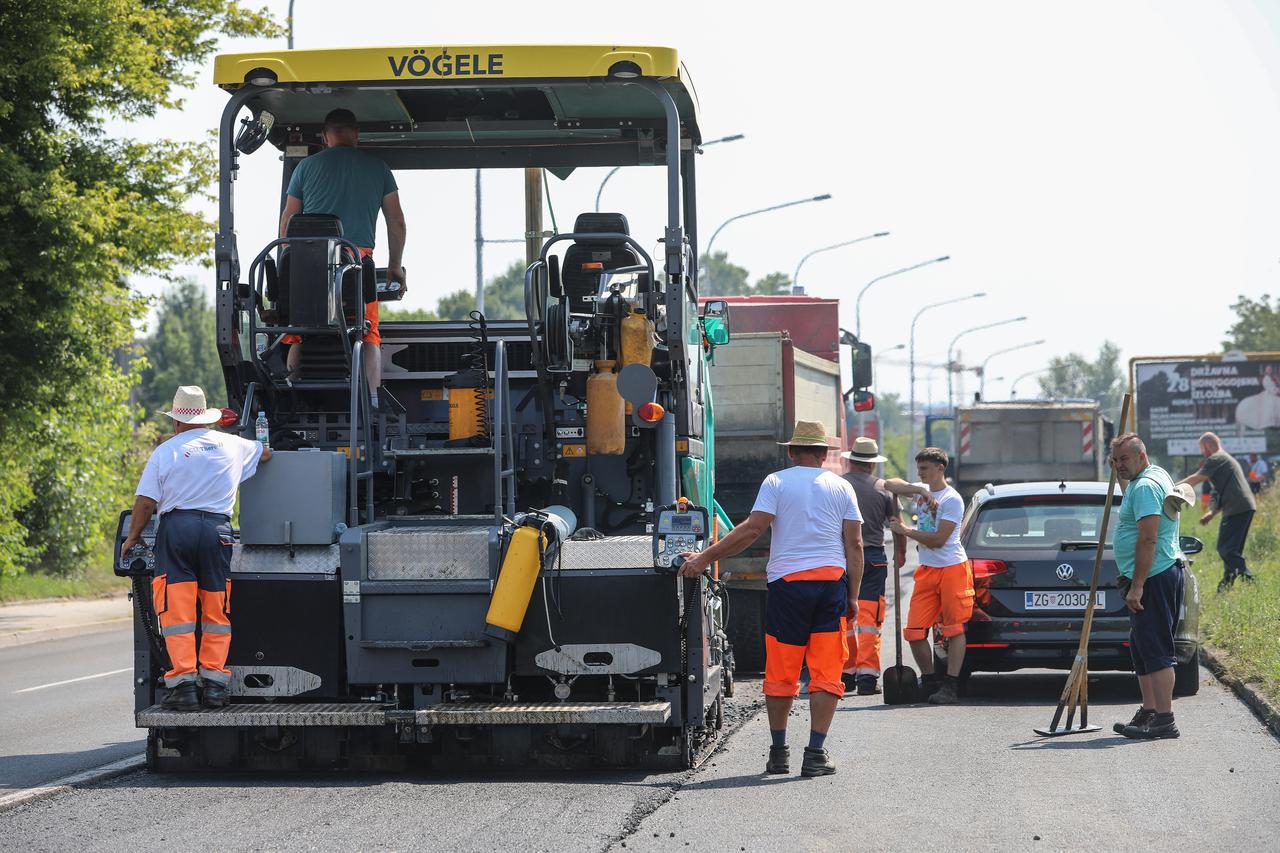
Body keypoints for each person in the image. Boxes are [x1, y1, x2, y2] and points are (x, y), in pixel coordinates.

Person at [677, 421, 862, 777]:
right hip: (830, 585)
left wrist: (703, 559)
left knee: (782, 670)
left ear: (791, 451)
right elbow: (854, 545)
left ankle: (778, 753)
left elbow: (751, 530)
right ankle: (815, 755)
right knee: (825, 672)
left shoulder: (776, 481)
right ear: (824, 454)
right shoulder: (842, 487)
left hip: (788, 588)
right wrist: (852, 595)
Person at [120, 386, 270, 711]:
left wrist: (132, 538)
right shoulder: (232, 444)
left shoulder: (166, 451)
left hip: (177, 531)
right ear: (206, 418)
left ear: (176, 421)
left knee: (178, 612)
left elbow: (146, 503)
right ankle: (215, 685)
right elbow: (266, 453)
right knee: (216, 608)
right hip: (217, 530)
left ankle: (184, 687)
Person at [279, 108, 408, 409]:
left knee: (299, 329)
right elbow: (397, 223)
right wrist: (394, 266)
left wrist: (288, 268)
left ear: (325, 137)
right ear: (356, 134)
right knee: (368, 332)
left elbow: (288, 221)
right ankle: (372, 400)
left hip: (309, 264)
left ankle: (292, 394)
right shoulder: (379, 168)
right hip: (356, 264)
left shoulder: (305, 168)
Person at [1110, 433, 1184, 739]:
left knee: (1156, 650)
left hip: (1152, 577)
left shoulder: (1145, 487)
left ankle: (1165, 719)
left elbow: (1148, 538)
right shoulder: (1156, 473)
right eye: (1114, 461)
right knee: (1142, 648)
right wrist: (1120, 471)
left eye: (1124, 459)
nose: (1118, 466)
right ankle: (1150, 711)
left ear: (1142, 456)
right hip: (1153, 574)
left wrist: (1137, 585)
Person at [888, 447, 973, 705]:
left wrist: (905, 531)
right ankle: (931, 680)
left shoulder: (952, 499)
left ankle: (951, 684)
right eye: (918, 468)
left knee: (953, 629)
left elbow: (938, 540)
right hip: (927, 570)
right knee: (914, 631)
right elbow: (888, 483)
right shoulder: (923, 490)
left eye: (924, 469)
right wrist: (920, 490)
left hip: (952, 569)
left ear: (940, 469)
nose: (920, 473)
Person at [840, 437, 908, 696]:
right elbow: (897, 525)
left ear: (851, 461)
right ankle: (868, 677)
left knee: (845, 617)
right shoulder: (884, 489)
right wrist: (900, 553)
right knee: (869, 620)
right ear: (872, 464)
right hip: (875, 560)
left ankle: (846, 674)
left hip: (843, 558)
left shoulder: (838, 485)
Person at [1176, 432, 1256, 591]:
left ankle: (1249, 578)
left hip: (1237, 508)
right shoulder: (1225, 459)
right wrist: (1212, 513)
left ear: (1206, 445)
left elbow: (1196, 478)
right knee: (1231, 550)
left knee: (1225, 549)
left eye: (1201, 448)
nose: (1202, 452)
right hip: (1243, 507)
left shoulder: (1216, 458)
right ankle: (1225, 586)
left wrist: (1170, 488)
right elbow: (1219, 490)